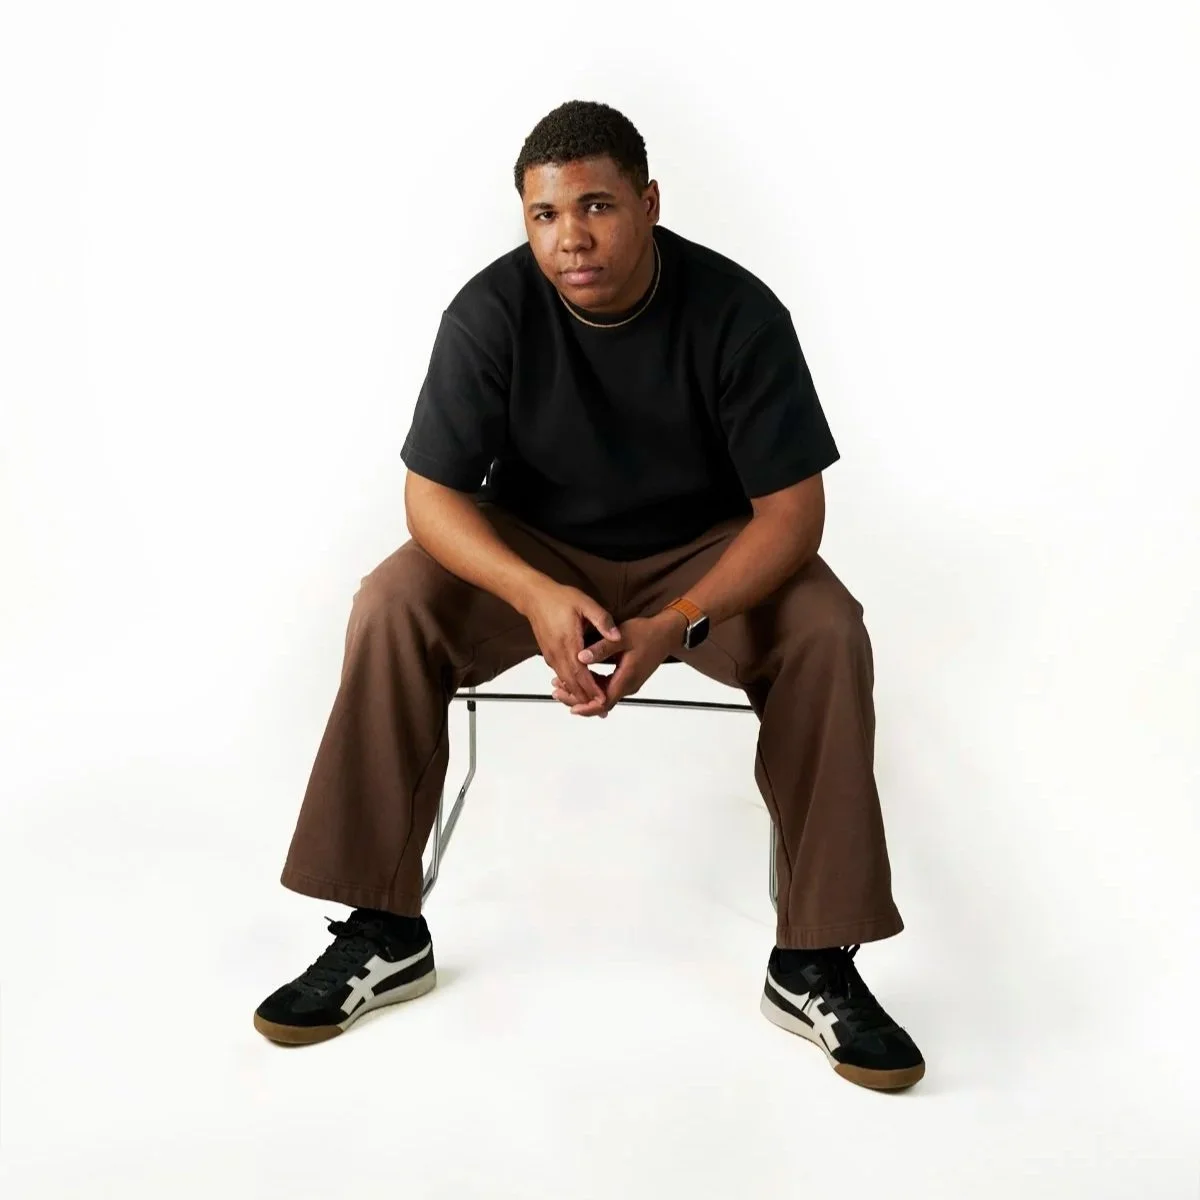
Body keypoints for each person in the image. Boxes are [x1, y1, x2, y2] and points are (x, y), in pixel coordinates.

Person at [253, 99, 925, 1091]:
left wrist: (677, 623)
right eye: (545, 214)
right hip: (535, 549)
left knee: (828, 627)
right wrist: (532, 592)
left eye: (597, 206)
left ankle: (814, 958)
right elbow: (430, 497)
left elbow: (792, 514)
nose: (570, 236)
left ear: (648, 204)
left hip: (701, 553)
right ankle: (383, 932)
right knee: (391, 604)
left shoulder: (738, 313)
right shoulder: (489, 313)